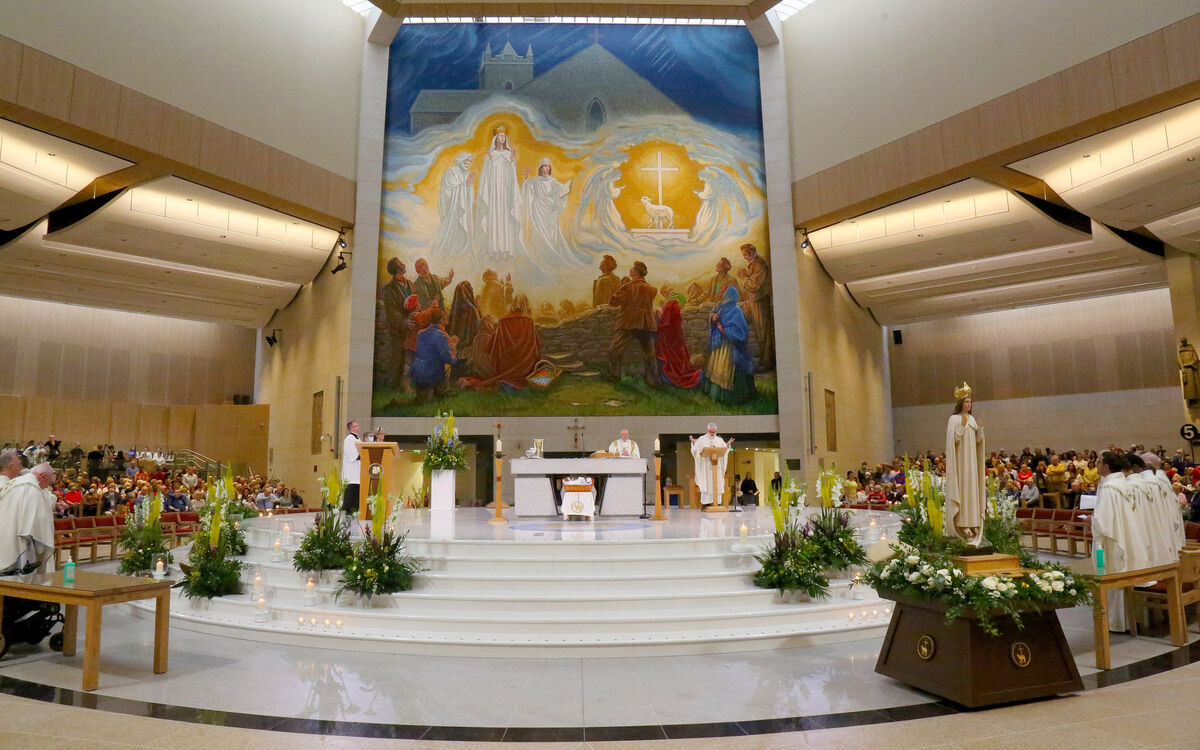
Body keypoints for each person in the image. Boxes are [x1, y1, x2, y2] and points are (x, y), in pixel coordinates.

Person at [1092, 451, 1147, 631]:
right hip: (1127, 535)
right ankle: (1127, 620)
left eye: (1099, 462)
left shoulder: (1109, 488)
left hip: (1112, 540)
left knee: (1110, 571)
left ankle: (1116, 622)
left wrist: (1090, 520)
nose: (1096, 464)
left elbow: (1103, 522)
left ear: (1106, 466)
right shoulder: (1123, 484)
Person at [462, 295, 541, 390]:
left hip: (506, 363)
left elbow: (494, 342)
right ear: (525, 304)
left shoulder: (504, 320)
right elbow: (537, 343)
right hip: (526, 365)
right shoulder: (529, 321)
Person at [475, 124, 524, 259]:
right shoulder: (490, 156)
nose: (503, 137)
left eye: (504, 135)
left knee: (505, 219)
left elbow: (511, 175)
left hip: (505, 193)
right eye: (500, 135)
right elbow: (485, 176)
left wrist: (512, 162)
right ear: (495, 138)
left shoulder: (508, 155)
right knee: (494, 218)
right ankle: (495, 250)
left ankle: (505, 250)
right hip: (494, 193)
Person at [700, 287, 756, 404]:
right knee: (716, 367)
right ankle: (714, 392)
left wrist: (724, 330)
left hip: (729, 347)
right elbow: (713, 313)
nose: (722, 294)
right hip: (719, 344)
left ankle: (731, 397)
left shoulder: (736, 310)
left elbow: (741, 331)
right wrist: (713, 318)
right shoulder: (719, 305)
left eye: (724, 293)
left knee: (726, 369)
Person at [944, 382, 985, 544]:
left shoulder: (973, 419)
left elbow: (978, 441)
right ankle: (962, 524)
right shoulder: (953, 419)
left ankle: (973, 522)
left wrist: (980, 429)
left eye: (970, 402)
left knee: (972, 492)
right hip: (960, 464)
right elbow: (952, 440)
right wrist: (961, 426)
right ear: (961, 403)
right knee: (963, 491)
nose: (969, 404)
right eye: (966, 402)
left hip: (971, 462)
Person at [522, 157, 583, 265]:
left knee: (551, 232)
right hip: (538, 210)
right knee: (539, 231)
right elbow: (529, 189)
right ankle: (541, 255)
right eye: (544, 166)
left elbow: (561, 190)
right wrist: (526, 179)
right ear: (540, 168)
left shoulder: (553, 181)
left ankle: (551, 255)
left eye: (548, 166)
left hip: (550, 211)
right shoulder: (536, 180)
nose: (546, 168)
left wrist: (568, 186)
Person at [608, 261, 659, 386]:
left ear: (636, 272)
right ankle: (653, 381)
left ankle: (615, 376)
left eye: (632, 269)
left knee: (614, 351)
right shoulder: (652, 289)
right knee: (649, 354)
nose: (630, 270)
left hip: (628, 323)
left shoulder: (628, 286)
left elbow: (612, 302)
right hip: (646, 324)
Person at [0, 463, 57, 574]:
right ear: (43, 476)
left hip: (5, 531)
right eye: (49, 480)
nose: (47, 485)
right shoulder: (32, 489)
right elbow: (36, 520)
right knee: (21, 571)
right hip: (22, 539)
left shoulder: (14, 483)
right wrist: (42, 543)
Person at [736, 243, 774, 369]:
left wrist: (743, 277)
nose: (745, 257)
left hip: (759, 301)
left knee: (762, 331)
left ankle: (766, 362)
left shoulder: (759, 264)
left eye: (745, 255)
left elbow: (754, 285)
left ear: (752, 253)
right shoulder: (753, 264)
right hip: (751, 302)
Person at [431, 152, 475, 257]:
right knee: (451, 233)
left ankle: (461, 253)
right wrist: (464, 184)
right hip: (453, 210)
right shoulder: (451, 171)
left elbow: (468, 193)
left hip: (462, 211)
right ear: (461, 159)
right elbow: (449, 189)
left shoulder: (465, 174)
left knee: (463, 231)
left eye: (470, 161)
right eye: (466, 160)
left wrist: (468, 184)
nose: (468, 163)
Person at [381, 258, 416, 388]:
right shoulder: (388, 289)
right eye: (401, 264)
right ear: (397, 269)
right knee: (397, 356)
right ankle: (392, 384)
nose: (404, 264)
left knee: (410, 356)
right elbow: (391, 310)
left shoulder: (410, 284)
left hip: (411, 327)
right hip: (398, 329)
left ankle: (408, 384)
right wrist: (404, 322)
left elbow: (414, 301)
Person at [655, 296, 702, 389]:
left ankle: (668, 379)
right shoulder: (676, 322)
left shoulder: (666, 325)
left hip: (671, 354)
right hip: (676, 352)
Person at [410, 308, 458, 398]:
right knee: (447, 366)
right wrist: (454, 347)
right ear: (441, 320)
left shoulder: (420, 333)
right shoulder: (442, 336)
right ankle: (441, 391)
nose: (447, 318)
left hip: (418, 374)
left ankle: (434, 392)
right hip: (431, 375)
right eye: (445, 317)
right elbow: (449, 359)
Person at [690, 424, 733, 508]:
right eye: (711, 432)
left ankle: (717, 503)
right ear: (707, 430)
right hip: (706, 467)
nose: (712, 433)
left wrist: (727, 445)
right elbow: (696, 451)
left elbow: (724, 451)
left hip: (716, 467)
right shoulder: (702, 439)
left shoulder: (719, 440)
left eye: (714, 432)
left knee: (718, 483)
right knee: (707, 484)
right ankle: (706, 504)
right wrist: (694, 444)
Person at [341, 420, 361, 514]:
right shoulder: (349, 439)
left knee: (356, 500)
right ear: (351, 428)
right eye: (355, 426)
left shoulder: (358, 439)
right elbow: (353, 455)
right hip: (351, 475)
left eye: (357, 425)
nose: (357, 427)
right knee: (350, 499)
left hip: (357, 474)